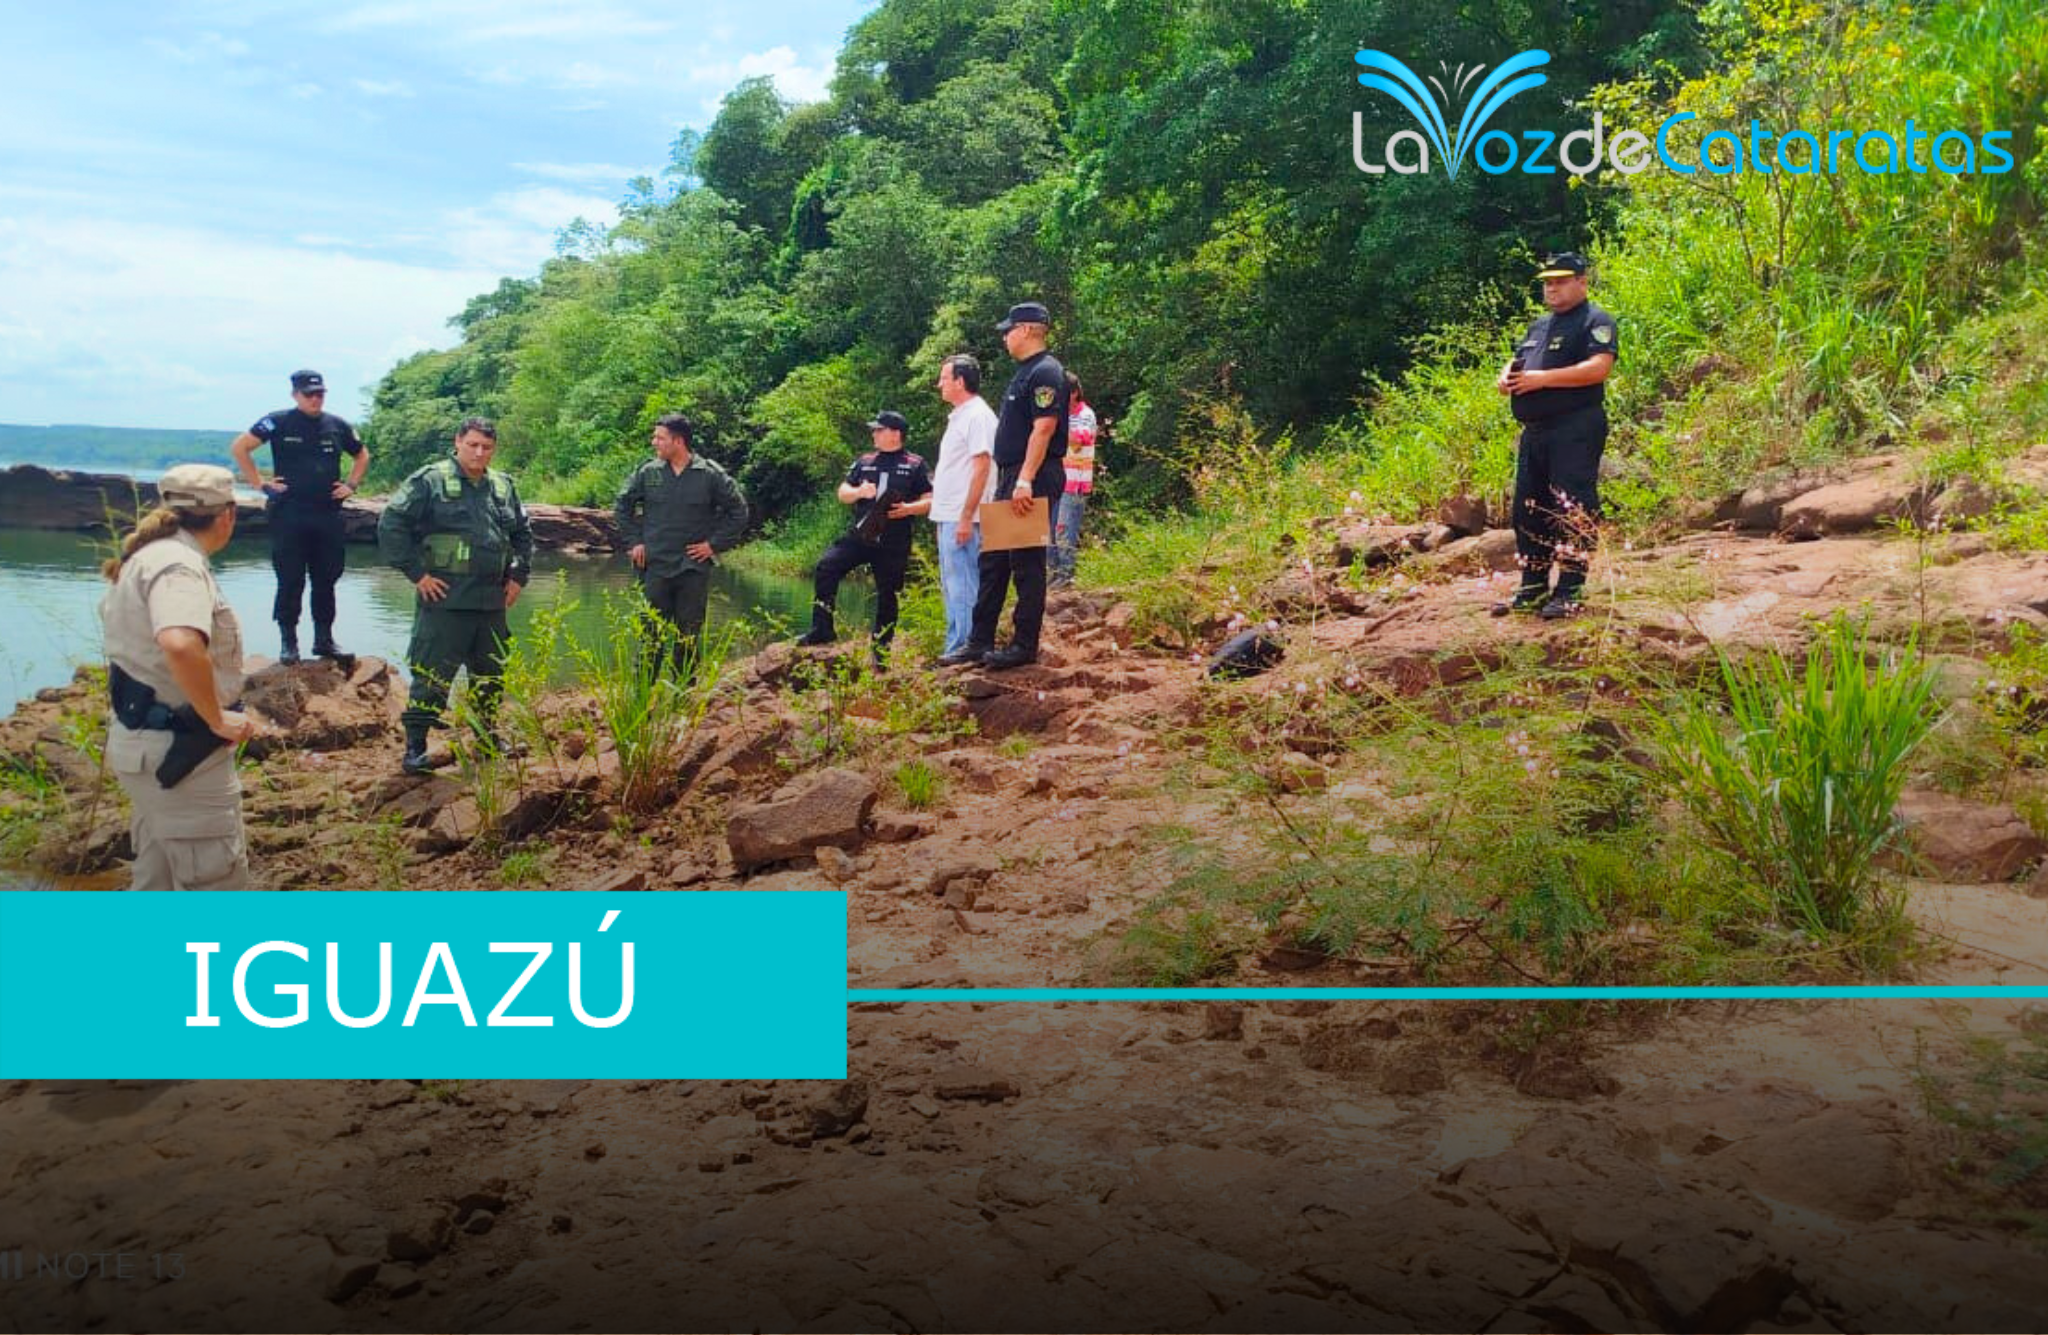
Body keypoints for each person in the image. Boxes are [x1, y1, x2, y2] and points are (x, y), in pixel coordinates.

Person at [99, 464, 262, 890]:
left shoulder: (151, 555)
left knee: (158, 883)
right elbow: (179, 642)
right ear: (227, 515)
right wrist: (216, 717)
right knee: (217, 890)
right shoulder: (179, 565)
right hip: (180, 751)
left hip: (149, 746)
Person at [377, 418, 533, 775]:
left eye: (487, 447)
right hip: (445, 600)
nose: (479, 453)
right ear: (458, 442)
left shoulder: (502, 485)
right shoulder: (430, 481)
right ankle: (415, 747)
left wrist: (519, 576)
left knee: (490, 674)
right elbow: (391, 525)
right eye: (473, 444)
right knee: (431, 675)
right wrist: (417, 575)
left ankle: (488, 738)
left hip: (491, 601)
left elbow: (523, 533)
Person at [1492, 251, 1618, 620]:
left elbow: (1598, 368)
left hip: (1575, 425)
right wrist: (1506, 378)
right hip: (1536, 431)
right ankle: (1532, 588)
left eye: (1561, 281)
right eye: (1548, 282)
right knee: (1528, 509)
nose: (1552, 288)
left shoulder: (1595, 320)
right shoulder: (1539, 326)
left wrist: (1542, 379)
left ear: (1582, 282)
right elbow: (1519, 360)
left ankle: (1570, 589)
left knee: (1572, 505)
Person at [946, 301, 1068, 669]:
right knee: (993, 561)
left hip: (1031, 475)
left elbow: (1043, 427)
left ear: (1028, 329)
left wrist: (1026, 480)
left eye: (1009, 330)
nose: (1005, 337)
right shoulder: (1023, 372)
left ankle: (1023, 645)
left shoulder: (1046, 372)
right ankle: (979, 640)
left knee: (1026, 562)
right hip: (1011, 475)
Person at [229, 369, 370, 664]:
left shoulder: (337, 425)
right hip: (289, 513)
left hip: (327, 514)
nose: (316, 399)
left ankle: (324, 640)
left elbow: (362, 454)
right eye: (309, 394)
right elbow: (241, 447)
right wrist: (260, 484)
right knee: (290, 579)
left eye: (320, 394)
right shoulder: (278, 421)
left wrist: (351, 485)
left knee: (326, 578)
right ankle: (288, 643)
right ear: (295, 395)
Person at [614, 413, 751, 676]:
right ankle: (643, 700)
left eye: (659, 438)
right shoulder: (648, 472)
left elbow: (738, 512)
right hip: (654, 566)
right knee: (650, 636)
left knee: (687, 637)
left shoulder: (708, 474)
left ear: (678, 441)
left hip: (692, 568)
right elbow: (622, 506)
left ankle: (683, 698)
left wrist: (713, 545)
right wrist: (634, 542)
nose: (654, 442)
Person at [796, 411, 933, 661]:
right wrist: (859, 491)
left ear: (895, 434)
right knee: (827, 566)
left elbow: (930, 500)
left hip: (894, 539)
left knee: (888, 592)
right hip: (862, 534)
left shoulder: (915, 464)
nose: (874, 434)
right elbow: (842, 492)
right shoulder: (865, 460)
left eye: (879, 430)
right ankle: (821, 629)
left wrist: (908, 509)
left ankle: (881, 648)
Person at [925, 355, 997, 658]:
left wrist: (968, 515)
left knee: (964, 580)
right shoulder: (962, 415)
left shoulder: (977, 415)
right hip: (951, 513)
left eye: (944, 378)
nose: (939, 384)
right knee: (952, 582)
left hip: (963, 515)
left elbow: (983, 466)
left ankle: (966, 644)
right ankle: (955, 643)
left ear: (960, 381)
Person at [1051, 371, 1098, 588]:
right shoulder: (1059, 415)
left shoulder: (1086, 414)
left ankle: (1066, 575)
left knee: (1064, 530)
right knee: (1048, 531)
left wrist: (1055, 428)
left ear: (1074, 393)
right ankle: (1053, 573)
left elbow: (1079, 440)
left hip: (1074, 483)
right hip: (1055, 481)